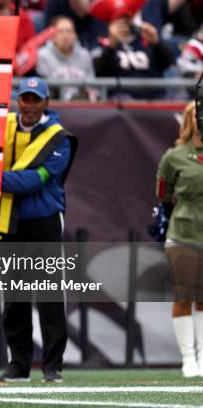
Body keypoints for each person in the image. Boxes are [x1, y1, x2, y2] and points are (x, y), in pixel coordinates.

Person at [0, 77, 74, 384]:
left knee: (50, 296)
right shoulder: (5, 127)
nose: (28, 105)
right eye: (24, 99)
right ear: (18, 101)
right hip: (9, 222)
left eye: (35, 99)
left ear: (46, 103)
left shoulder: (58, 138)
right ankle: (19, 364)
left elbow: (33, 182)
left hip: (44, 223)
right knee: (14, 298)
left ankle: (52, 366)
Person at [156, 100, 203, 378]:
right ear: (189, 120)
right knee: (184, 294)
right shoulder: (174, 156)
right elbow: (162, 193)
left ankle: (202, 356)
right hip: (183, 232)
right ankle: (188, 359)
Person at [93, 11, 175, 100]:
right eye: (119, 19)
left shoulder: (146, 38)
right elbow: (100, 72)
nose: (123, 23)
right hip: (122, 99)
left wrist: (156, 43)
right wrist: (111, 46)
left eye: (127, 18)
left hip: (154, 97)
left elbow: (168, 63)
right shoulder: (105, 43)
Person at [36, 15, 96, 101]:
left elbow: (92, 85)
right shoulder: (42, 55)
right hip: (56, 104)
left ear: (75, 35)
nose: (65, 35)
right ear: (52, 35)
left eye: (69, 31)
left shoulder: (84, 55)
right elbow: (47, 90)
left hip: (83, 104)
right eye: (61, 32)